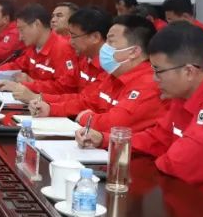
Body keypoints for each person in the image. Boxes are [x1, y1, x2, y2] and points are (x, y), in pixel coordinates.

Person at [79, 23, 203, 213]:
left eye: (158, 71)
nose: (154, 78)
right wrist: (106, 139)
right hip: (189, 200)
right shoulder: (185, 92)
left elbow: (182, 165)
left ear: (188, 71)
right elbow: (158, 138)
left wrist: (148, 168)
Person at [30, 14, 164, 136]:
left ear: (133, 52)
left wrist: (84, 117)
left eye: (111, 42)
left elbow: (115, 124)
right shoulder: (113, 74)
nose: (105, 47)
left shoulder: (148, 83)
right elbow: (87, 102)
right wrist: (50, 108)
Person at [0, 4, 77, 98]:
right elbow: (16, 66)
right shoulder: (33, 47)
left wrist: (28, 84)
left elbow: (64, 89)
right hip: (33, 100)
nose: (20, 37)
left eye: (22, 30)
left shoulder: (63, 49)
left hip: (47, 103)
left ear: (36, 24)